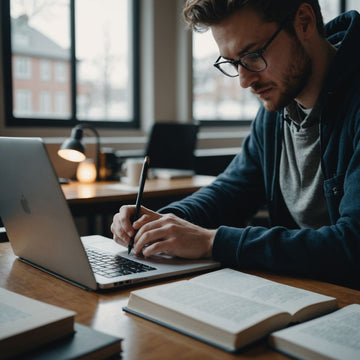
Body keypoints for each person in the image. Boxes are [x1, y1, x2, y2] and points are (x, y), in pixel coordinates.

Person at [111, 0, 360, 289]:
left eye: (253, 55)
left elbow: (353, 245)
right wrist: (165, 221)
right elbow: (232, 190)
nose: (244, 81)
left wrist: (210, 242)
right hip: (307, 293)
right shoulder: (277, 106)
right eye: (232, 63)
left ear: (303, 22)